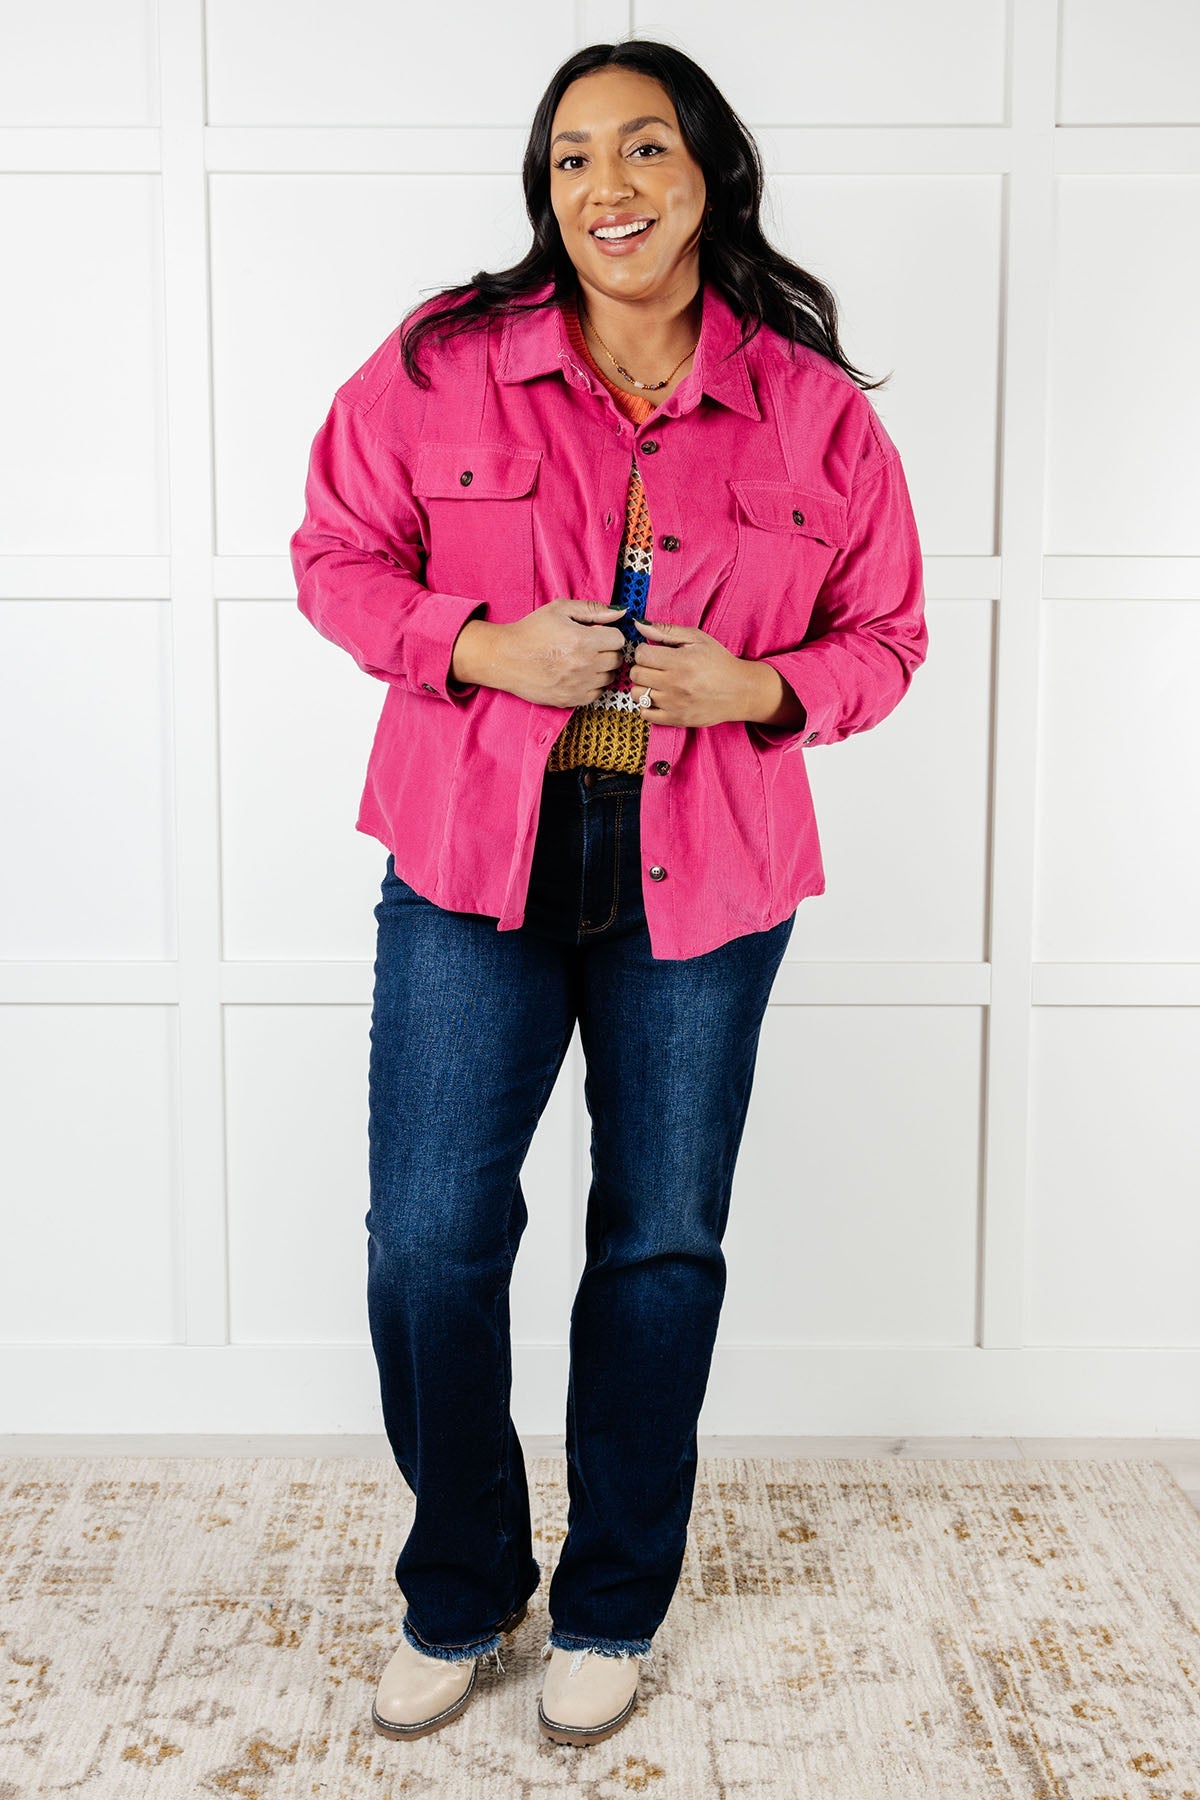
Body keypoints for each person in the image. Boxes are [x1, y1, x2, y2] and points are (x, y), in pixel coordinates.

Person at [289, 38, 927, 1751]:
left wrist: (760, 689)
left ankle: (613, 1603)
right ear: (543, 189)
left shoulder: (814, 409)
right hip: (470, 858)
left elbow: (888, 636)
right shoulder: (442, 363)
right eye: (572, 157)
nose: (607, 187)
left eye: (644, 148)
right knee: (429, 1239)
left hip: (703, 876)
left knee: (658, 1242)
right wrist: (480, 645)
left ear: (709, 172)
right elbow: (334, 557)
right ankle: (462, 1580)